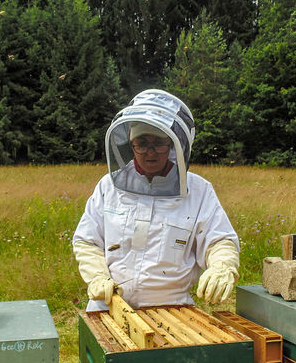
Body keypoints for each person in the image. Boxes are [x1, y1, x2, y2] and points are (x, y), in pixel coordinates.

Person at [72, 89, 240, 310]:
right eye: (141, 143)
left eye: (159, 143)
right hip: (110, 305)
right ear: (131, 145)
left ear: (172, 145)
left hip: (173, 310)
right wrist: (97, 277)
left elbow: (219, 241)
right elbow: (87, 240)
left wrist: (222, 266)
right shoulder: (108, 187)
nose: (150, 152)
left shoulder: (199, 191)